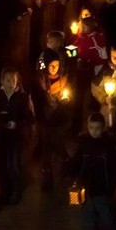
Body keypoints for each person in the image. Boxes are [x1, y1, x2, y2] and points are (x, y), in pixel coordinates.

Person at [67, 112, 116, 230]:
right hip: (87, 188)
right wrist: (71, 172)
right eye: (91, 127)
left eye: (97, 128)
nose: (94, 131)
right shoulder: (84, 143)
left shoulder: (109, 145)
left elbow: (115, 165)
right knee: (87, 219)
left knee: (107, 216)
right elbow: (77, 160)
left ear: (102, 128)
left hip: (103, 189)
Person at [0, 68, 34, 204]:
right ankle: (5, 190)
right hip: (1, 136)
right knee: (1, 164)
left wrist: (17, 124)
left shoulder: (22, 97)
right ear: (2, 81)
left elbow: (28, 117)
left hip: (15, 137)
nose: (11, 83)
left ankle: (16, 190)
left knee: (14, 164)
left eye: (13, 80)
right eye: (8, 80)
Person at [34, 49, 71, 190]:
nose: (54, 68)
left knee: (58, 142)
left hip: (59, 119)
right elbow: (36, 100)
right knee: (46, 147)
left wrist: (63, 101)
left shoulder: (63, 78)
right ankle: (47, 176)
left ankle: (67, 165)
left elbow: (67, 95)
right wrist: (46, 105)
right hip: (44, 119)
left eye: (57, 65)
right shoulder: (40, 81)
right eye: (51, 65)